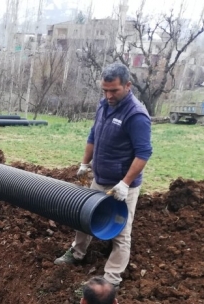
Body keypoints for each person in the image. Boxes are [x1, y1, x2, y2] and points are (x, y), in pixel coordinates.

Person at [54, 62, 153, 288]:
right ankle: (77, 253)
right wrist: (84, 163)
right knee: (83, 216)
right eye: (105, 90)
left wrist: (125, 184)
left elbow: (144, 153)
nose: (108, 95)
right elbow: (93, 136)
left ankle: (111, 279)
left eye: (114, 90)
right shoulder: (104, 105)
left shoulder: (136, 115)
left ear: (128, 86)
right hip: (100, 179)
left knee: (120, 233)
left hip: (122, 186)